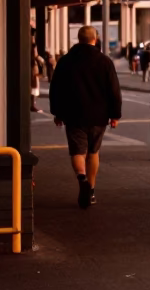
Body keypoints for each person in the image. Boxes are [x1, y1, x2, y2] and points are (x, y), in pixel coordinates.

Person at [49, 25, 122, 208]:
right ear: (94, 40)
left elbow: (55, 89)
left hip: (73, 115)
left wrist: (57, 112)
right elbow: (114, 90)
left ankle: (82, 179)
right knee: (93, 153)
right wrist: (115, 115)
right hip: (99, 116)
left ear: (78, 40)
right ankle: (91, 190)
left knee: (77, 152)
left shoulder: (66, 61)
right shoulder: (105, 61)